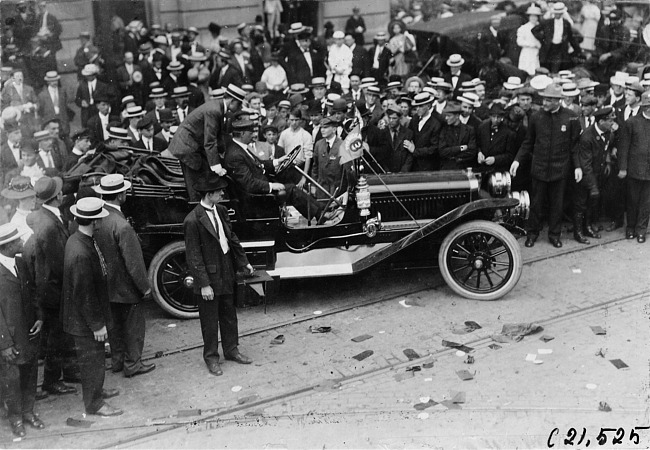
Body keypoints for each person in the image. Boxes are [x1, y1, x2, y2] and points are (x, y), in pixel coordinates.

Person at [183, 173, 254, 377]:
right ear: (209, 194)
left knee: (229, 315)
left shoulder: (221, 211)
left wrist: (244, 262)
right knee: (209, 320)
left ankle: (231, 351)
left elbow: (232, 239)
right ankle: (212, 358)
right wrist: (204, 284)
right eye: (219, 191)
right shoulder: (193, 220)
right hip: (209, 277)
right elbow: (194, 256)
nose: (223, 193)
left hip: (226, 271)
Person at [62, 197, 122, 416]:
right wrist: (97, 325)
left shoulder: (78, 239)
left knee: (94, 361)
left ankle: (96, 391)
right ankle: (94, 404)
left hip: (84, 317)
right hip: (85, 322)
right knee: (93, 361)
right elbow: (84, 294)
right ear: (94, 222)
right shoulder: (81, 252)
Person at [92, 175, 155, 378]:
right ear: (120, 195)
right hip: (125, 287)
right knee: (133, 327)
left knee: (114, 327)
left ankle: (118, 362)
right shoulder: (121, 225)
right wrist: (145, 287)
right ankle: (133, 364)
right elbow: (134, 263)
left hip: (104, 285)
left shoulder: (96, 220)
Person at [23, 176, 81, 397]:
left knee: (61, 334)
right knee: (57, 335)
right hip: (54, 290)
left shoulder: (40, 216)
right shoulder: (49, 224)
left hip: (48, 287)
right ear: (58, 196)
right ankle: (51, 380)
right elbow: (58, 263)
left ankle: (67, 371)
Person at [510, 83, 581, 248]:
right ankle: (532, 233)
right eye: (544, 99)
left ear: (558, 101)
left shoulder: (570, 117)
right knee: (536, 203)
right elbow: (528, 142)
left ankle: (554, 235)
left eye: (549, 100)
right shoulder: (536, 117)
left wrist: (577, 166)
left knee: (557, 204)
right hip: (539, 168)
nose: (545, 103)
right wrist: (517, 160)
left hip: (560, 168)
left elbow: (574, 146)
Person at [0, 223, 44, 438]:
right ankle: (15, 417)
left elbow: (32, 292)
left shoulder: (20, 262)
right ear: (6, 246)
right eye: (17, 241)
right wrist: (5, 344)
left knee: (30, 373)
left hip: (29, 333)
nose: (21, 242)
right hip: (10, 339)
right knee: (11, 379)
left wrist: (39, 318)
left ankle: (28, 411)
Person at [168, 84, 242, 201]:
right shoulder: (214, 110)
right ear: (232, 101)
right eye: (239, 104)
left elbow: (217, 137)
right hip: (187, 147)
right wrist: (216, 166)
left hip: (191, 145)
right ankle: (197, 209)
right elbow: (210, 141)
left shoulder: (218, 108)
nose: (240, 107)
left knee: (203, 179)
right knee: (196, 185)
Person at [572, 107, 616, 244]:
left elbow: (606, 148)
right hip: (585, 175)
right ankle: (578, 232)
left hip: (597, 172)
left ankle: (587, 227)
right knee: (581, 203)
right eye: (610, 121)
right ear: (601, 121)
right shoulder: (587, 136)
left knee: (591, 203)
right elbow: (585, 164)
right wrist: (593, 186)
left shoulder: (608, 133)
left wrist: (608, 161)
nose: (612, 123)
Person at [618, 91, 650, 243]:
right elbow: (624, 147)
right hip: (634, 169)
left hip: (649, 171)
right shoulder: (631, 122)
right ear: (643, 107)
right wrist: (623, 168)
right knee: (632, 200)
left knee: (646, 202)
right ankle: (630, 227)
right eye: (647, 106)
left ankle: (641, 230)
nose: (649, 109)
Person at [532, 2, 583, 73]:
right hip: (548, 49)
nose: (557, 15)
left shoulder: (566, 24)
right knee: (546, 69)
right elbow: (534, 30)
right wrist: (543, 39)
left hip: (559, 49)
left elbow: (571, 38)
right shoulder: (548, 22)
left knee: (556, 69)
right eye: (556, 13)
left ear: (562, 14)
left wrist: (578, 50)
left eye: (559, 13)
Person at [476, 102, 517, 175]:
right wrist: (479, 152)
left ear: (502, 117)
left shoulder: (509, 132)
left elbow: (510, 155)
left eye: (498, 117)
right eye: (493, 116)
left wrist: (495, 159)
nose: (495, 119)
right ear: (490, 116)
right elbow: (477, 144)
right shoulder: (482, 127)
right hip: (482, 169)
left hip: (499, 171)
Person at [406, 92, 442, 171]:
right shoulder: (414, 119)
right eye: (416, 106)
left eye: (421, 106)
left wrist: (415, 151)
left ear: (428, 106)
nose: (417, 109)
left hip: (428, 166)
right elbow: (409, 137)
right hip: (413, 165)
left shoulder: (435, 124)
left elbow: (434, 148)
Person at [438, 102, 477, 170]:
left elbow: (472, 151)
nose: (446, 118)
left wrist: (453, 155)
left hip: (464, 167)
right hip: (447, 168)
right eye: (446, 116)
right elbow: (442, 151)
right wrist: (460, 148)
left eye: (449, 116)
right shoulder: (444, 130)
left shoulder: (469, 130)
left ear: (457, 116)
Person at [1, 176, 36, 243]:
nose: (34, 200)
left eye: (34, 196)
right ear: (21, 200)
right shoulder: (17, 222)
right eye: (31, 197)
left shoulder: (34, 214)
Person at [516, 5, 543, 76]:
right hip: (527, 52)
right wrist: (532, 44)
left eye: (535, 16)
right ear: (529, 17)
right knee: (526, 72)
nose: (533, 18)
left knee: (537, 72)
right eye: (531, 16)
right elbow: (519, 41)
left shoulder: (541, 27)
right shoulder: (523, 28)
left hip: (538, 52)